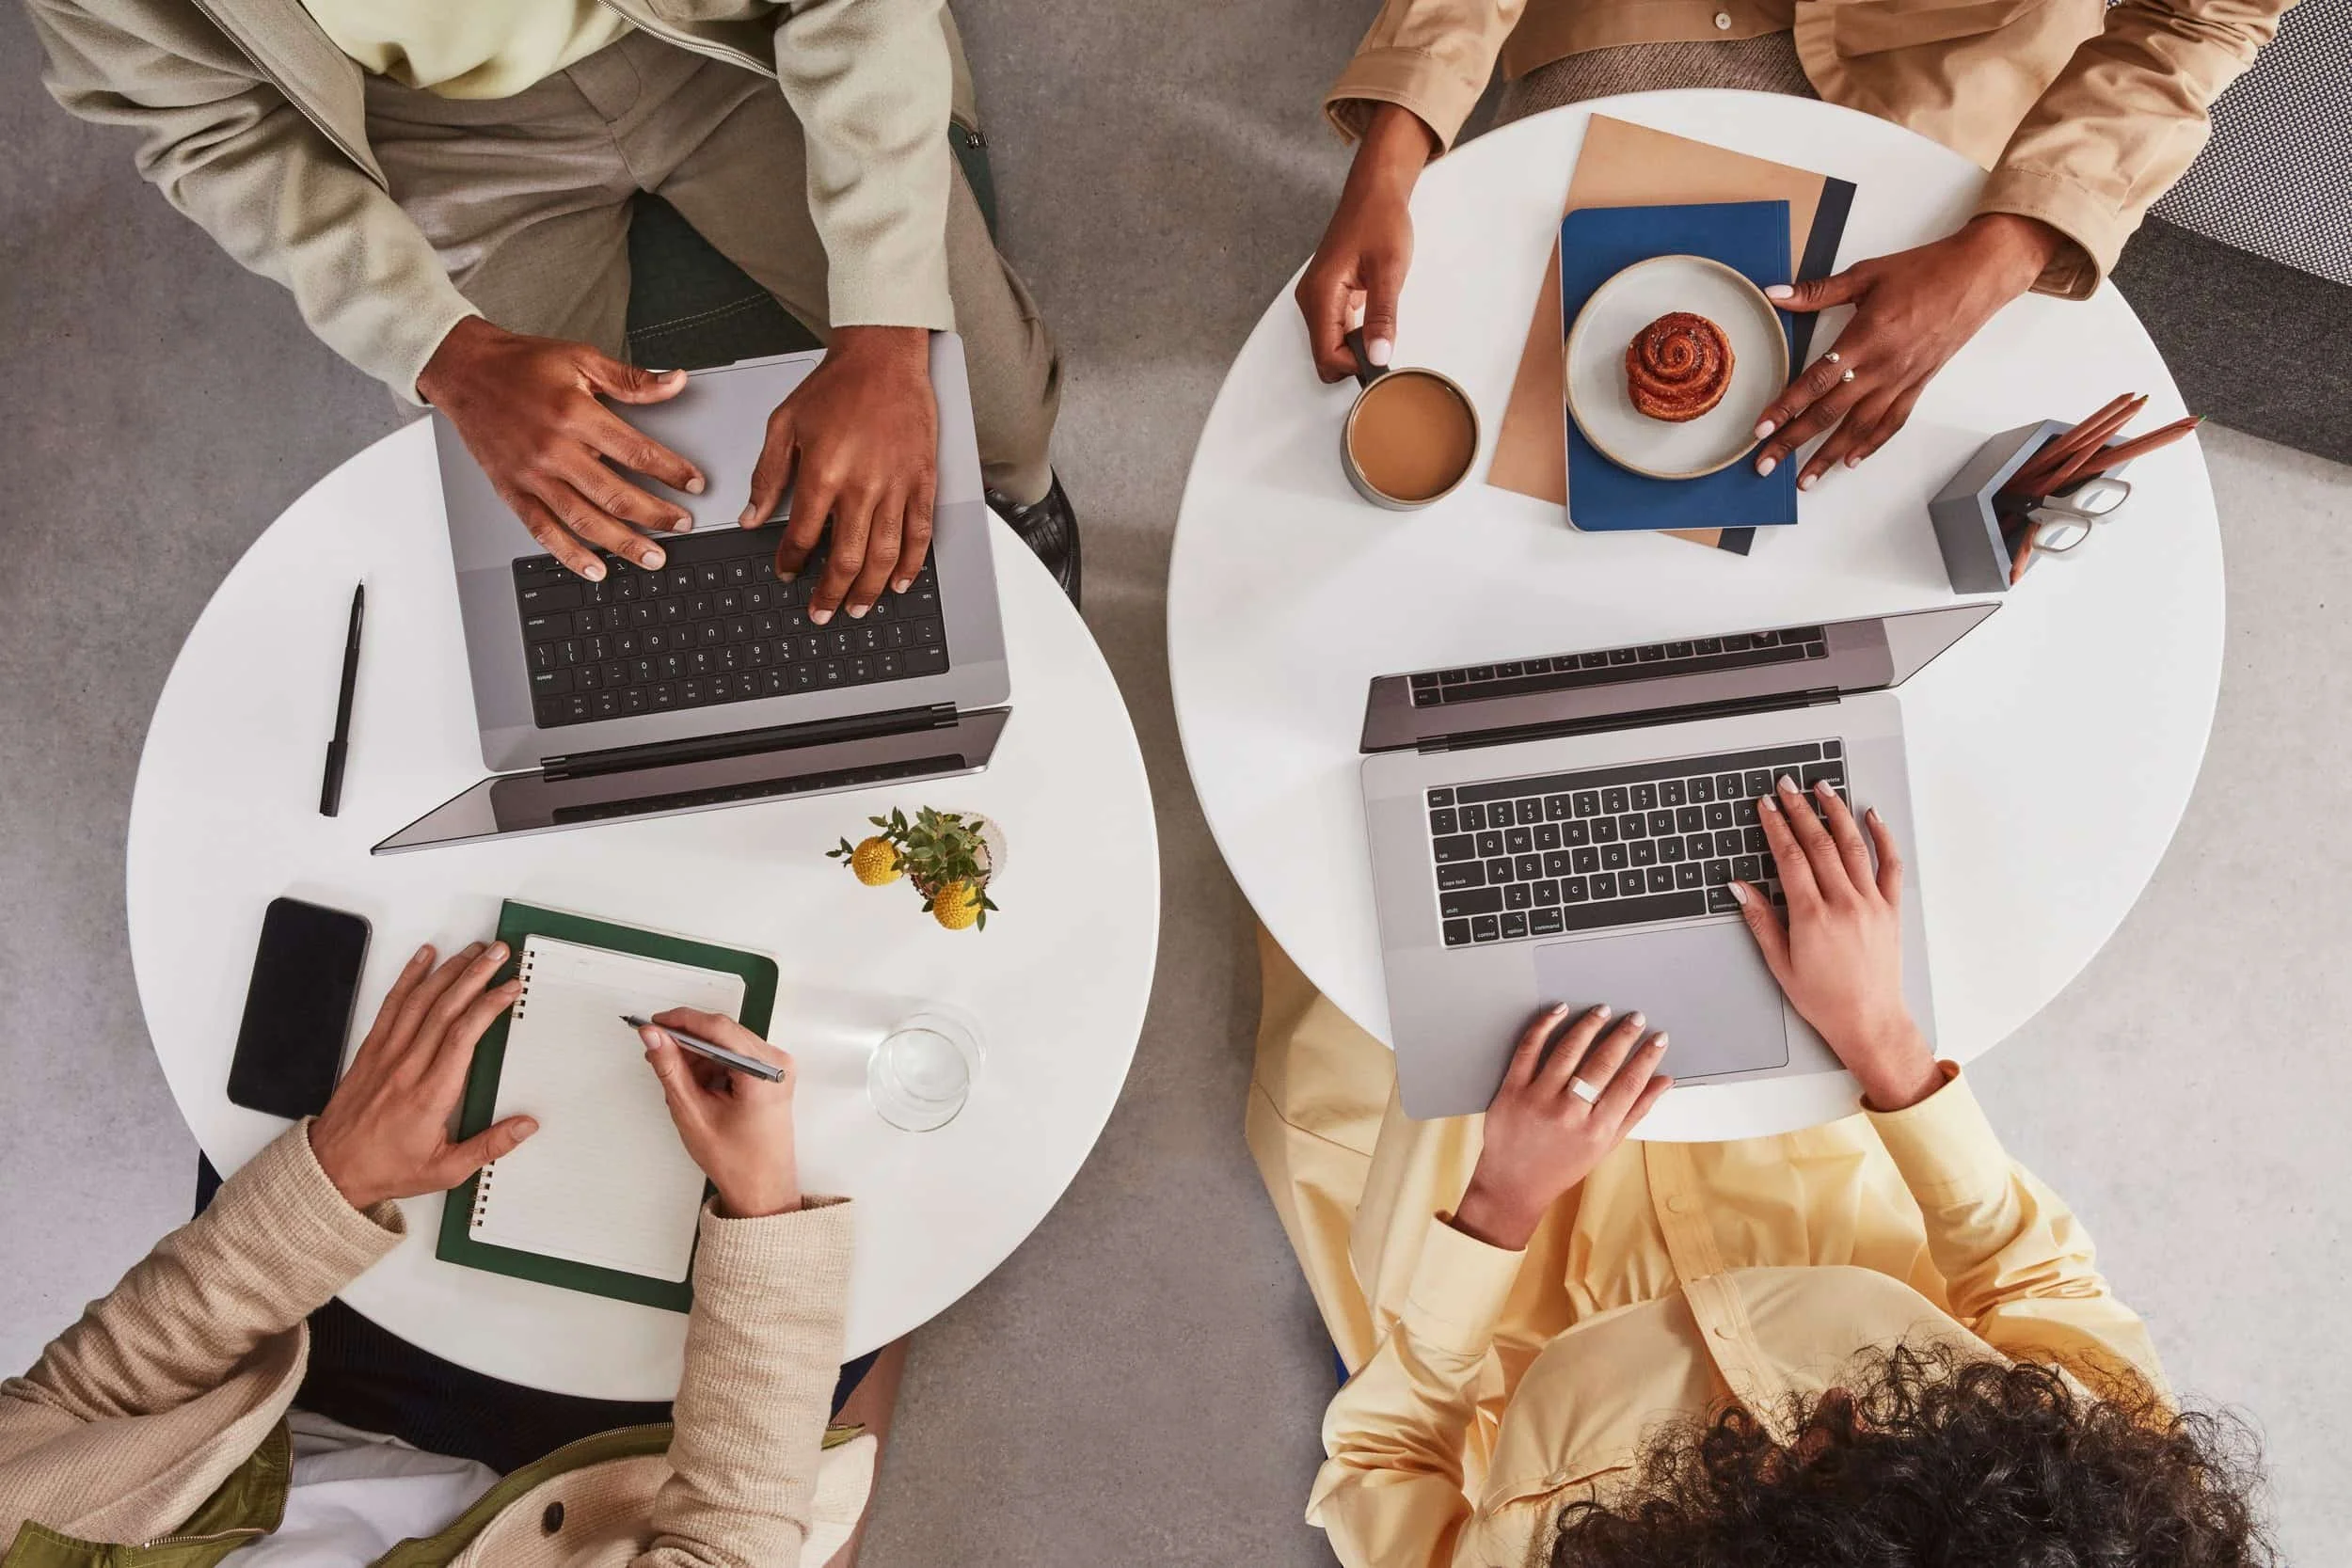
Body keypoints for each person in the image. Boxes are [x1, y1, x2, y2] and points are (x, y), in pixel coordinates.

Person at [1248, 775, 2277, 1565]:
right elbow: (2033, 1281)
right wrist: (1880, 1037)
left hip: (1488, 1243)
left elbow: (1383, 1461)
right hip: (1786, 1136)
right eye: (1859, 1432)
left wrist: (1498, 1202)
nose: (1809, 1422)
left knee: (1345, 841)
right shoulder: (2103, 1522)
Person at [27, 0, 1079, 617]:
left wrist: (885, 334)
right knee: (548, 554)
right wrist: (446, 351)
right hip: (432, 128)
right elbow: (212, 132)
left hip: (716, 35)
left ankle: (1023, 501)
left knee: (995, 416)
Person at [0, 941, 865, 1566]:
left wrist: (330, 1178)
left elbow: (84, 1397)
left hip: (283, 1389)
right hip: (593, 1468)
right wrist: (763, 1210)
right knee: (843, 1110)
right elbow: (725, 1544)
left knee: (381, 967)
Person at [1296, 0, 2292, 491]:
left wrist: (2009, 248)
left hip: (1952, 71)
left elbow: (2201, 18)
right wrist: (1392, 146)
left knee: (1800, 474)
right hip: (1648, 16)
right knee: (1490, 391)